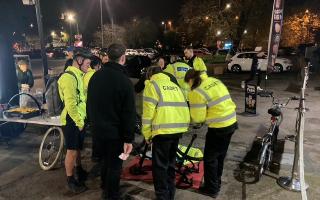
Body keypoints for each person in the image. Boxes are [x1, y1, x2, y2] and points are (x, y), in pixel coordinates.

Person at [87, 43, 136, 200]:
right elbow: (129, 113)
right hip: (116, 134)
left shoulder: (95, 76)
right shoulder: (124, 81)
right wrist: (129, 138)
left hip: (98, 131)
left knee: (104, 161)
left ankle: (105, 185)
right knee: (115, 165)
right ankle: (111, 195)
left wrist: (92, 124)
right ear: (123, 58)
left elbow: (90, 104)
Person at [184, 69, 238, 198]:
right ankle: (216, 183)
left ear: (190, 80)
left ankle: (211, 189)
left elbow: (198, 118)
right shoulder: (214, 81)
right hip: (231, 121)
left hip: (219, 127)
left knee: (209, 159)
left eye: (187, 84)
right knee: (220, 156)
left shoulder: (196, 91)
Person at [142, 66, 190, 200]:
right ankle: (170, 194)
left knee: (159, 167)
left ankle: (163, 196)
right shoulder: (174, 85)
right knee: (170, 164)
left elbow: (148, 114)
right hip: (177, 130)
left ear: (150, 75)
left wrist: (147, 134)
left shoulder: (152, 85)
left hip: (162, 132)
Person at [58, 49, 92, 194]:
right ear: (79, 60)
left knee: (77, 148)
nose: (89, 67)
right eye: (88, 63)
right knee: (71, 151)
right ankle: (70, 180)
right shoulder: (68, 78)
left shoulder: (78, 75)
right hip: (72, 120)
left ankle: (79, 170)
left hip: (79, 118)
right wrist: (79, 122)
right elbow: (70, 104)